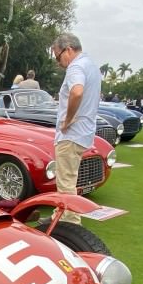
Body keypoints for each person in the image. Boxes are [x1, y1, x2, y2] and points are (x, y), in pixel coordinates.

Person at [50, 32, 101, 223]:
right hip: (84, 133)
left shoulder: (76, 67)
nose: (59, 63)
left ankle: (70, 224)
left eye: (58, 57)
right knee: (69, 179)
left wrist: (68, 120)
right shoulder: (91, 65)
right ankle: (58, 216)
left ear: (68, 50)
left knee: (65, 184)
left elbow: (77, 92)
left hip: (71, 134)